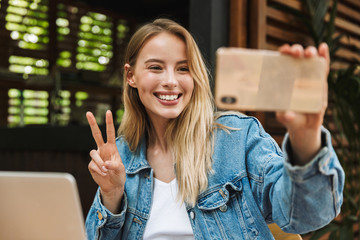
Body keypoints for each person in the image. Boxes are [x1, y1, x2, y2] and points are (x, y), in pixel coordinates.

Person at [85, 18, 344, 239]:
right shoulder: (121, 154)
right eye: (156, 67)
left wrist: (306, 139)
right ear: (131, 76)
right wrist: (112, 195)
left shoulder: (237, 138)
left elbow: (306, 216)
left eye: (184, 69)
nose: (171, 81)